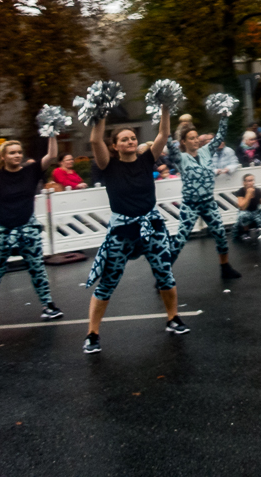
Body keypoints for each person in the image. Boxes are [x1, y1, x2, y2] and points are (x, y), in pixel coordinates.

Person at [83, 108, 189, 354]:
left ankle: (173, 318)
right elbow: (94, 140)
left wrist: (164, 107)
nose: (130, 142)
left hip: (152, 226)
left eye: (132, 138)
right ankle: (92, 334)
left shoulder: (146, 160)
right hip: (122, 230)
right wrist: (100, 112)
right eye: (124, 139)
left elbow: (163, 133)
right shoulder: (107, 165)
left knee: (165, 274)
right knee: (108, 281)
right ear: (115, 145)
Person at [0, 137, 63, 333]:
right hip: (0, 231)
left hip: (27, 229)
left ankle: (48, 306)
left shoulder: (31, 171)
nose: (17, 155)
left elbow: (52, 155)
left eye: (19, 152)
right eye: (12, 152)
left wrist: (52, 133)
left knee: (37, 269)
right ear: (3, 157)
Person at [167, 120, 241, 279]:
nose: (195, 140)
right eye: (191, 138)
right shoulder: (181, 158)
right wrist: (165, 121)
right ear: (183, 142)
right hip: (190, 204)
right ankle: (163, 275)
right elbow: (168, 146)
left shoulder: (206, 151)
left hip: (208, 202)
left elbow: (220, 136)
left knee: (220, 233)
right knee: (180, 240)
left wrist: (224, 117)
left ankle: (225, 267)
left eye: (196, 137)